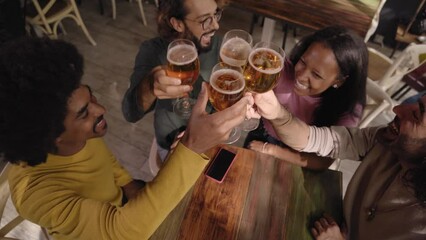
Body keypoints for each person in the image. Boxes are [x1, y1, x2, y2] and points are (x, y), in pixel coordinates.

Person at [0, 37, 252, 240]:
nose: (101, 110)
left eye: (92, 98)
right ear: (50, 138)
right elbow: (120, 232)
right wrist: (191, 146)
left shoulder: (82, 136)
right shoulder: (33, 193)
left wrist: (134, 188)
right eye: (84, 113)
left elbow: (108, 165)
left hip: (123, 204)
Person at [250, 89, 426, 239]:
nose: (398, 109)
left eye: (417, 115)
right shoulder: (385, 140)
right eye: (416, 104)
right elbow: (314, 139)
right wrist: (277, 113)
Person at [246, 26, 368, 169]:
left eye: (316, 75)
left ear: (339, 81)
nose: (301, 76)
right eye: (303, 62)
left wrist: (270, 150)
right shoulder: (281, 68)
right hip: (262, 133)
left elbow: (321, 162)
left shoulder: (347, 111)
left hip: (299, 159)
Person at [122, 0, 226, 160]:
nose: (216, 26)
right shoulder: (152, 51)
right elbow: (130, 113)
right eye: (205, 19)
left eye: (215, 14)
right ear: (177, 23)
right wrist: (149, 86)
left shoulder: (220, 45)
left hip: (211, 139)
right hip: (170, 141)